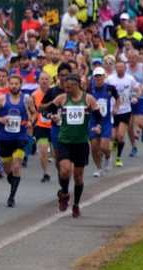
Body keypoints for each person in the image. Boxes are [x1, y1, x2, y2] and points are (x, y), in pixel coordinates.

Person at [43, 74, 101, 218]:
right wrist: (53, 116)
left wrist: (98, 126)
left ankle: (76, 205)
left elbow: (99, 116)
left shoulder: (88, 99)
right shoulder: (62, 98)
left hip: (81, 142)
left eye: (69, 87)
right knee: (64, 170)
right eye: (65, 87)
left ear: (77, 85)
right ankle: (64, 194)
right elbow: (46, 111)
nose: (66, 89)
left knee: (78, 177)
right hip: (65, 141)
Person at [0, 74, 35, 207]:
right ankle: (13, 179)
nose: (14, 86)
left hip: (20, 138)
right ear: (9, 85)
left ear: (20, 85)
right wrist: (0, 120)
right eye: (12, 84)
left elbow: (34, 113)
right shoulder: (2, 99)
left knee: (16, 165)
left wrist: (30, 122)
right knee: (7, 169)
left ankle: (11, 198)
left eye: (17, 84)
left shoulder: (26, 100)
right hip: (4, 138)